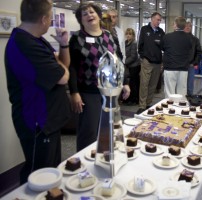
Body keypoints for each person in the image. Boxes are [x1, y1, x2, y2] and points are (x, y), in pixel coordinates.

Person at [4, 0, 71, 184]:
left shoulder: (36, 40)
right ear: (43, 19)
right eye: (50, 18)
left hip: (49, 121)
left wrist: (64, 45)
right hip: (37, 123)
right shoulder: (25, 44)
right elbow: (64, 76)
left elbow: (63, 66)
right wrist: (59, 67)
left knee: (52, 171)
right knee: (37, 176)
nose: (51, 22)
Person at [68, 3, 130, 151]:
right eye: (85, 14)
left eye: (92, 12)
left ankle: (105, 158)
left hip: (110, 90)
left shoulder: (108, 35)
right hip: (88, 92)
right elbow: (72, 68)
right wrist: (74, 92)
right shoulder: (77, 38)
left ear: (98, 15)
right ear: (80, 20)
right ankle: (83, 166)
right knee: (88, 132)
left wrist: (125, 82)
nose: (89, 15)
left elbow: (118, 60)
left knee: (109, 127)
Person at [136, 12, 165, 114]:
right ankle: (142, 105)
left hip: (157, 62)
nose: (159, 22)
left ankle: (148, 103)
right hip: (147, 61)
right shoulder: (144, 29)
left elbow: (163, 47)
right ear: (152, 19)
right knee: (144, 83)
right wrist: (143, 57)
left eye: (160, 20)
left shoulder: (161, 32)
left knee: (153, 85)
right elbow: (140, 45)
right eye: (157, 19)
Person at [161, 16, 192, 98]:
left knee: (169, 92)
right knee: (182, 93)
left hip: (170, 68)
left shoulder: (167, 37)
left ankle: (169, 109)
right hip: (183, 69)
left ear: (175, 25)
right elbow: (189, 50)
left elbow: (163, 48)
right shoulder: (188, 38)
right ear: (184, 26)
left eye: (174, 23)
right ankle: (181, 109)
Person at [184, 21, 202, 96]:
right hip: (179, 65)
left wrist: (194, 62)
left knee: (189, 85)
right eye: (186, 26)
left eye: (189, 26)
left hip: (190, 66)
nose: (188, 27)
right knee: (180, 85)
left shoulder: (195, 40)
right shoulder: (179, 38)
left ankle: (189, 100)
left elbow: (199, 52)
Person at [124, 28, 141, 105]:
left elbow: (133, 57)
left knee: (134, 83)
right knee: (130, 83)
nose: (128, 35)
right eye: (127, 34)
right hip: (129, 66)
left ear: (133, 35)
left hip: (134, 66)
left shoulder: (134, 43)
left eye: (130, 34)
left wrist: (124, 63)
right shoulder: (125, 42)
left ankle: (135, 99)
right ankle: (129, 98)